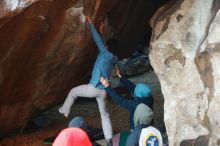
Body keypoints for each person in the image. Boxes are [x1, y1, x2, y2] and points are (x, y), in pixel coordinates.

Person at [58, 15, 119, 145]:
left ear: (107, 47)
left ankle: (65, 110)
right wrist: (101, 31)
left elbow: (98, 42)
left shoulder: (104, 54)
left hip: (93, 88)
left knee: (73, 91)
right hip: (103, 91)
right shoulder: (113, 58)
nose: (105, 46)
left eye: (106, 45)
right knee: (104, 115)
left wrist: (91, 24)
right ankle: (109, 139)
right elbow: (102, 43)